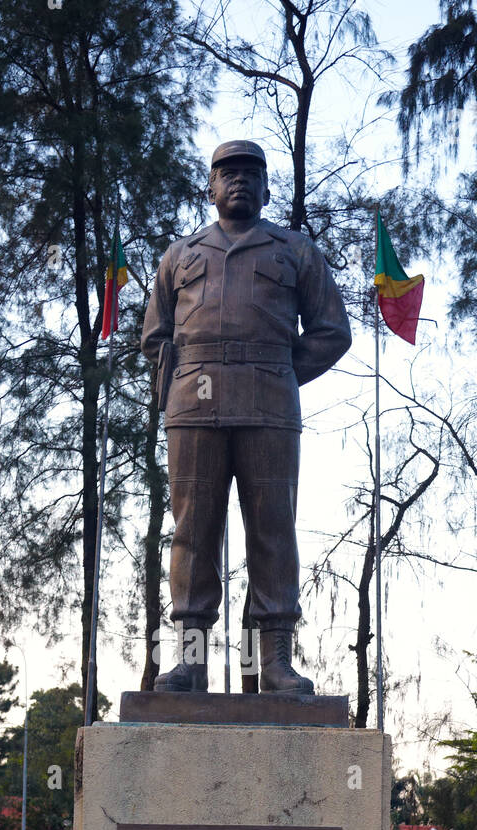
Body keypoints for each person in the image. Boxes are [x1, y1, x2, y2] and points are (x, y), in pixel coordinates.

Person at [141, 138, 351, 693]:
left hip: (269, 407)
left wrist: (277, 374)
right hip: (193, 405)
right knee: (192, 532)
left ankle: (274, 663)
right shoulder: (180, 256)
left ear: (264, 186)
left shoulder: (295, 251)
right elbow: (155, 336)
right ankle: (189, 662)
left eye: (249, 173)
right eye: (226, 173)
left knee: (273, 529)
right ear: (210, 187)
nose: (238, 181)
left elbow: (332, 332)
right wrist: (183, 384)